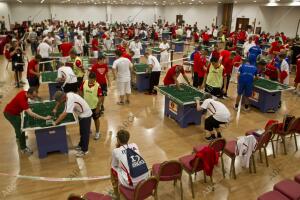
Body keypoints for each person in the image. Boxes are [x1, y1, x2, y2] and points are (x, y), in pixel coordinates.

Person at [3, 88, 52, 155]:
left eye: (35, 96)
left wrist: (40, 99)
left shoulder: (25, 92)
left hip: (14, 112)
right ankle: (23, 148)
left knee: (18, 127)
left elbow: (35, 95)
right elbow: (31, 113)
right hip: (11, 114)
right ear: (29, 94)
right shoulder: (22, 100)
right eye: (33, 96)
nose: (34, 98)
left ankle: (18, 137)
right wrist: (44, 118)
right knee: (21, 130)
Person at [52, 91, 92, 157]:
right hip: (81, 114)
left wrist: (55, 122)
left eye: (60, 101)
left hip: (86, 115)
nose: (59, 102)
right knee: (82, 131)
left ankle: (85, 150)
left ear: (63, 98)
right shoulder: (67, 95)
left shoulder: (70, 100)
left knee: (85, 133)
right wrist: (55, 108)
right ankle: (81, 145)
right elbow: (59, 102)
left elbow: (65, 114)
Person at [111, 130, 149, 198]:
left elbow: (114, 165)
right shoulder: (134, 145)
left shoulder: (115, 151)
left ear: (118, 139)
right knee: (124, 165)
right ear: (128, 138)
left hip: (132, 184)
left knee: (112, 169)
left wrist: (117, 148)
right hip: (146, 180)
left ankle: (116, 193)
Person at [79, 72, 103, 140]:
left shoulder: (97, 85)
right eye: (90, 79)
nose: (91, 81)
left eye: (93, 80)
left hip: (94, 107)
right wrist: (81, 99)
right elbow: (80, 90)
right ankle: (88, 130)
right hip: (86, 106)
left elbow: (100, 97)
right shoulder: (84, 82)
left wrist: (98, 107)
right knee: (86, 119)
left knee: (96, 120)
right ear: (88, 78)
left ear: (95, 79)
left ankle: (97, 133)